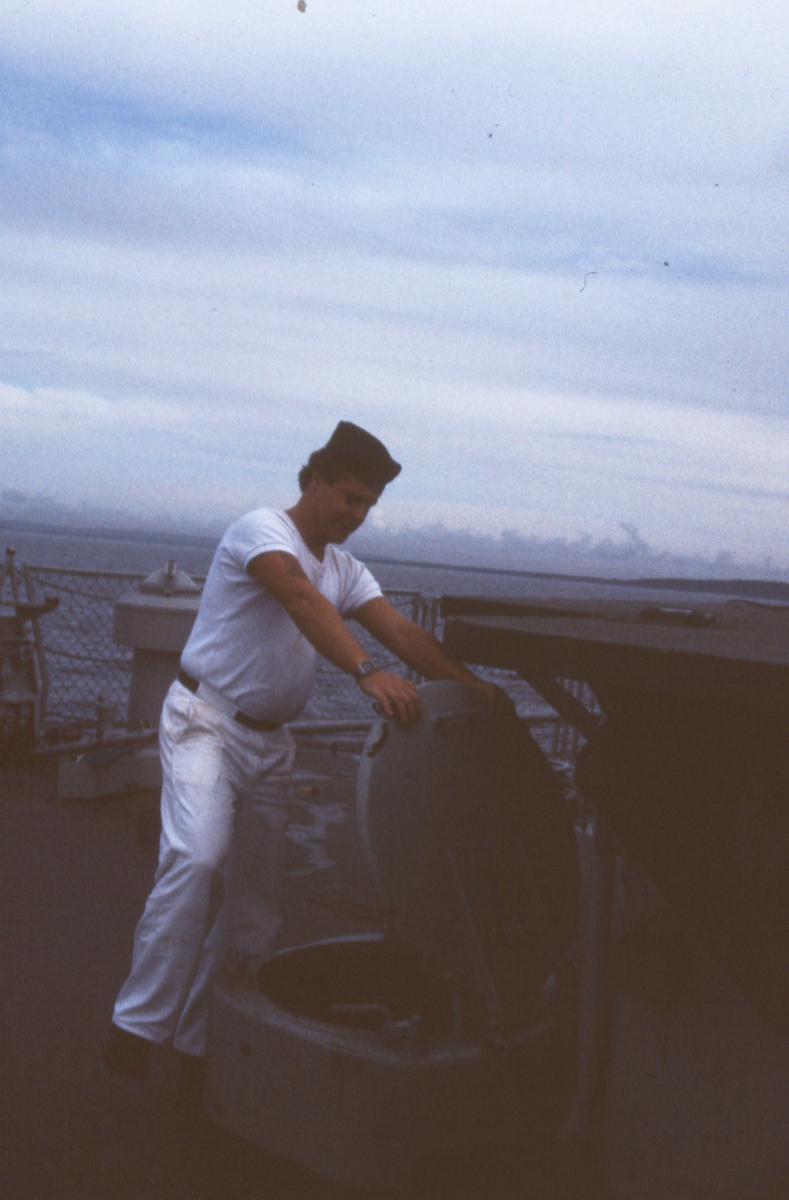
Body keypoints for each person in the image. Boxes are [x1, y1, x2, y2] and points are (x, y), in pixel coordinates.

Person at [104, 421, 511, 1080]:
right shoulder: (261, 531)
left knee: (255, 906)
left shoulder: (344, 570)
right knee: (198, 856)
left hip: (271, 744)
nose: (357, 514)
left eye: (368, 504)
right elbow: (297, 596)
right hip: (206, 722)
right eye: (349, 497)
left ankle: (198, 1040)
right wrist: (365, 672)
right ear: (315, 478)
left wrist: (470, 686)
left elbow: (400, 631)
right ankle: (138, 1023)